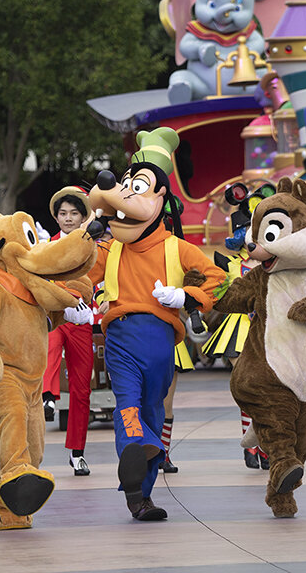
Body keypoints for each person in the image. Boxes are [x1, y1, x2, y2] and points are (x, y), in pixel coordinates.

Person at [85, 128, 224, 521]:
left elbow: (218, 277)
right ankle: (136, 462)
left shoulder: (176, 247)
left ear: (160, 199)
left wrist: (186, 297)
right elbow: (78, 277)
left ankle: (140, 491)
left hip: (162, 340)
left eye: (138, 186)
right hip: (121, 337)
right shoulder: (109, 247)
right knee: (129, 404)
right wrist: (71, 298)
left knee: (151, 410)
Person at [41, 186, 97, 475]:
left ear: (83, 216)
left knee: (82, 389)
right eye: (63, 213)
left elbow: (102, 282)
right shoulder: (44, 246)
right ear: (56, 217)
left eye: (74, 213)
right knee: (49, 346)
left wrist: (95, 306)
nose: (68, 218)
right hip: (54, 317)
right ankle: (48, 397)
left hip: (81, 322)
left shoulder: (95, 247)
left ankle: (77, 453)